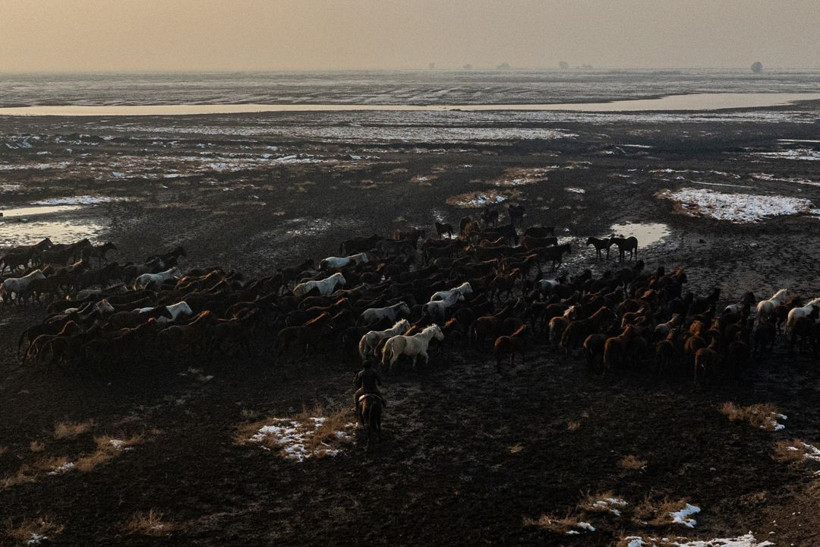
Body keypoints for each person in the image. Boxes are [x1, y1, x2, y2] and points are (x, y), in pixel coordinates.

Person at [353, 359, 385, 423]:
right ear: (370, 366)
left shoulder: (360, 373)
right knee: (380, 396)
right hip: (374, 389)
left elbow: (358, 383)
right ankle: (384, 404)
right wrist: (379, 383)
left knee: (356, 395)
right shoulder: (374, 372)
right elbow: (379, 381)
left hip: (364, 389)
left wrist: (358, 386)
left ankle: (356, 407)